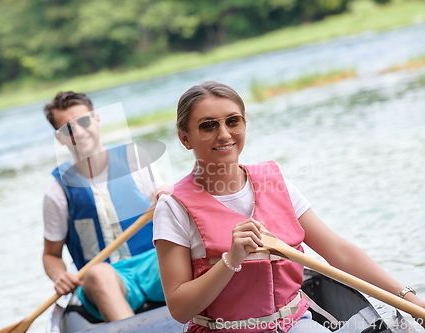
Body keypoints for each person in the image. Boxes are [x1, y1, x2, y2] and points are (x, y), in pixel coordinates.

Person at [153, 81, 425, 333]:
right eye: (208, 126)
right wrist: (230, 260)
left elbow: (339, 251)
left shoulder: (276, 183)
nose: (224, 134)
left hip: (295, 324)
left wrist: (410, 301)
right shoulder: (173, 207)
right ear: (185, 138)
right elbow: (179, 308)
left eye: (233, 122)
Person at [42, 91, 165, 323]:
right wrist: (59, 275)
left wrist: (167, 198)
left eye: (84, 121)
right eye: (68, 129)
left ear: (96, 120)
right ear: (59, 138)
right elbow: (50, 254)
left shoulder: (136, 161)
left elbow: (171, 212)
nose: (78, 132)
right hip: (107, 279)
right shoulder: (56, 193)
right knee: (98, 273)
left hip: (154, 263)